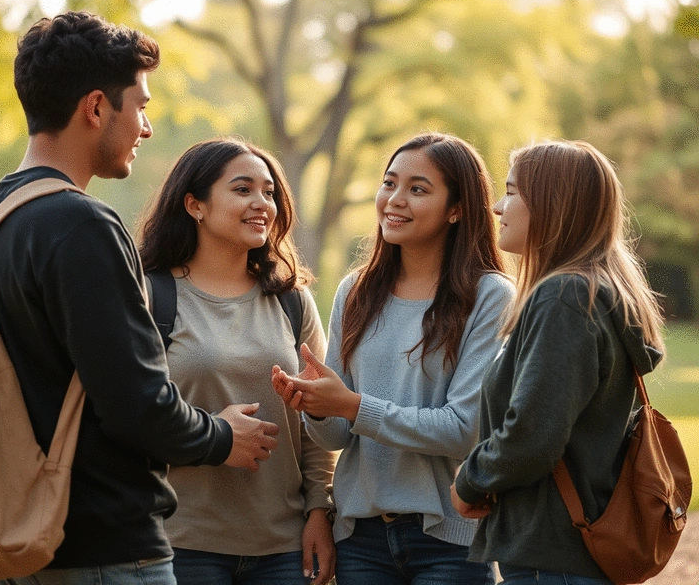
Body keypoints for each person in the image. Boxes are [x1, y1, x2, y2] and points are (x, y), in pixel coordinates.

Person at [0, 12, 280, 585]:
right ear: (96, 108)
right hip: (103, 549)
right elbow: (137, 404)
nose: (146, 128)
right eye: (140, 106)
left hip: (19, 533)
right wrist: (222, 435)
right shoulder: (83, 225)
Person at [272, 132, 514, 584]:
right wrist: (317, 407)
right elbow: (337, 435)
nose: (395, 199)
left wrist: (351, 405)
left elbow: (464, 430)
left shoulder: (489, 295)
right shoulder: (356, 291)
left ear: (457, 209)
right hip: (360, 538)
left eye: (418, 189)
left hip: (448, 541)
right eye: (389, 183)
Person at [451, 141, 665, 584]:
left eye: (512, 192)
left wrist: (469, 482)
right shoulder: (592, 294)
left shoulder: (565, 297)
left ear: (552, 204)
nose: (497, 207)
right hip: (567, 559)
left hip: (552, 560)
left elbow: (533, 434)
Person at [136, 138, 336, 585]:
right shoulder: (150, 296)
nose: (261, 203)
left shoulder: (292, 301)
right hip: (181, 544)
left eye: (269, 192)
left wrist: (319, 510)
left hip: (284, 548)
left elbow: (317, 422)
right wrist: (215, 434)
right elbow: (130, 415)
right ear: (195, 205)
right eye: (243, 189)